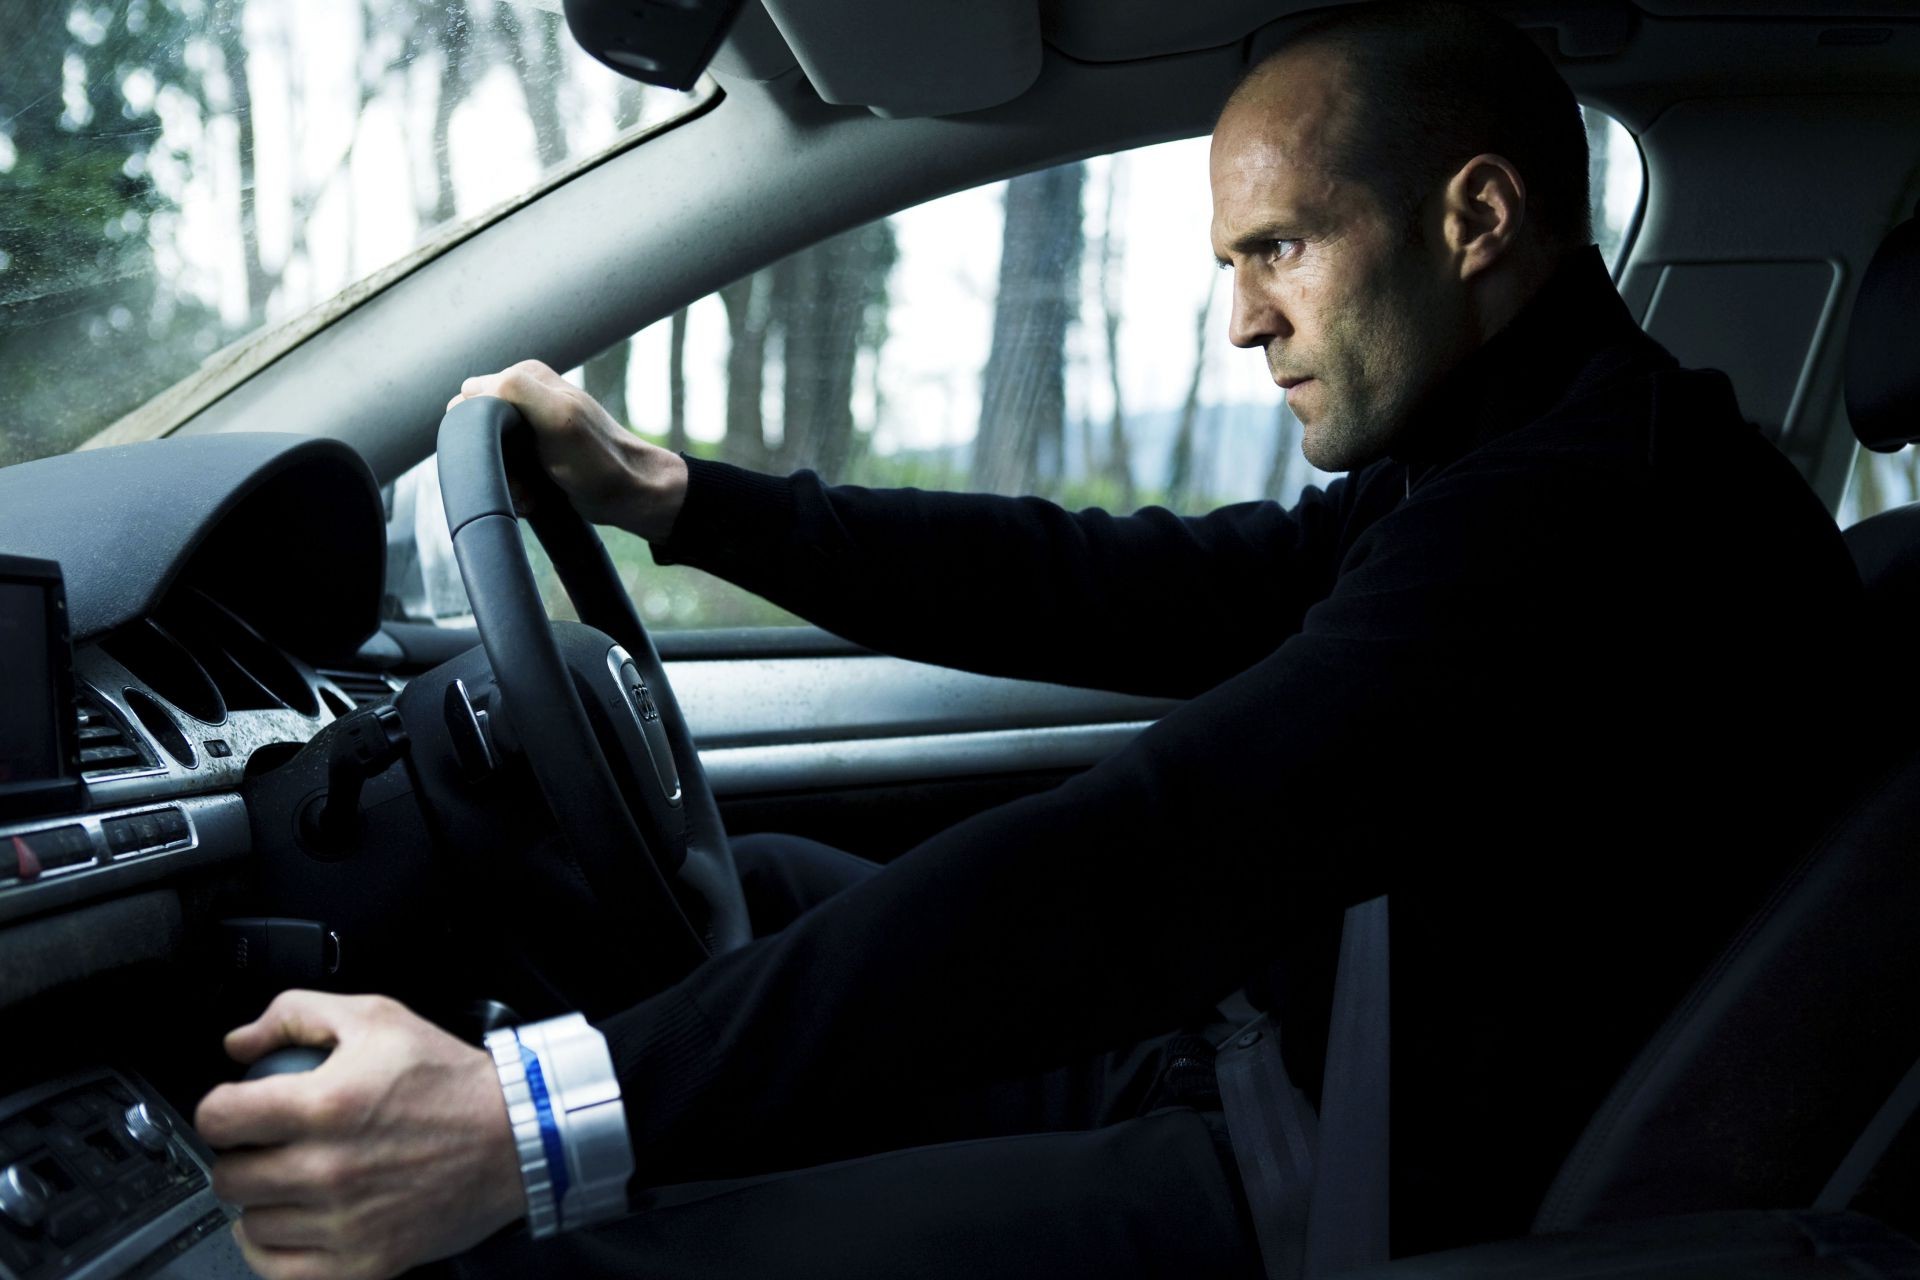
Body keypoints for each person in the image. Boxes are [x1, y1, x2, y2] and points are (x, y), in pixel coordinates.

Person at [192, 3, 1869, 1278]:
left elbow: (1157, 853)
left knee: (592, 1248)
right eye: (1230, 263)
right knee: (758, 888)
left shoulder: (1591, 518)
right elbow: (1119, 586)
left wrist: (527, 1125)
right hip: (1278, 1056)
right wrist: (680, 498)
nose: (1241, 318)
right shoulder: (1510, 455)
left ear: (1475, 219)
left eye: (1278, 248)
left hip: (1343, 1181)